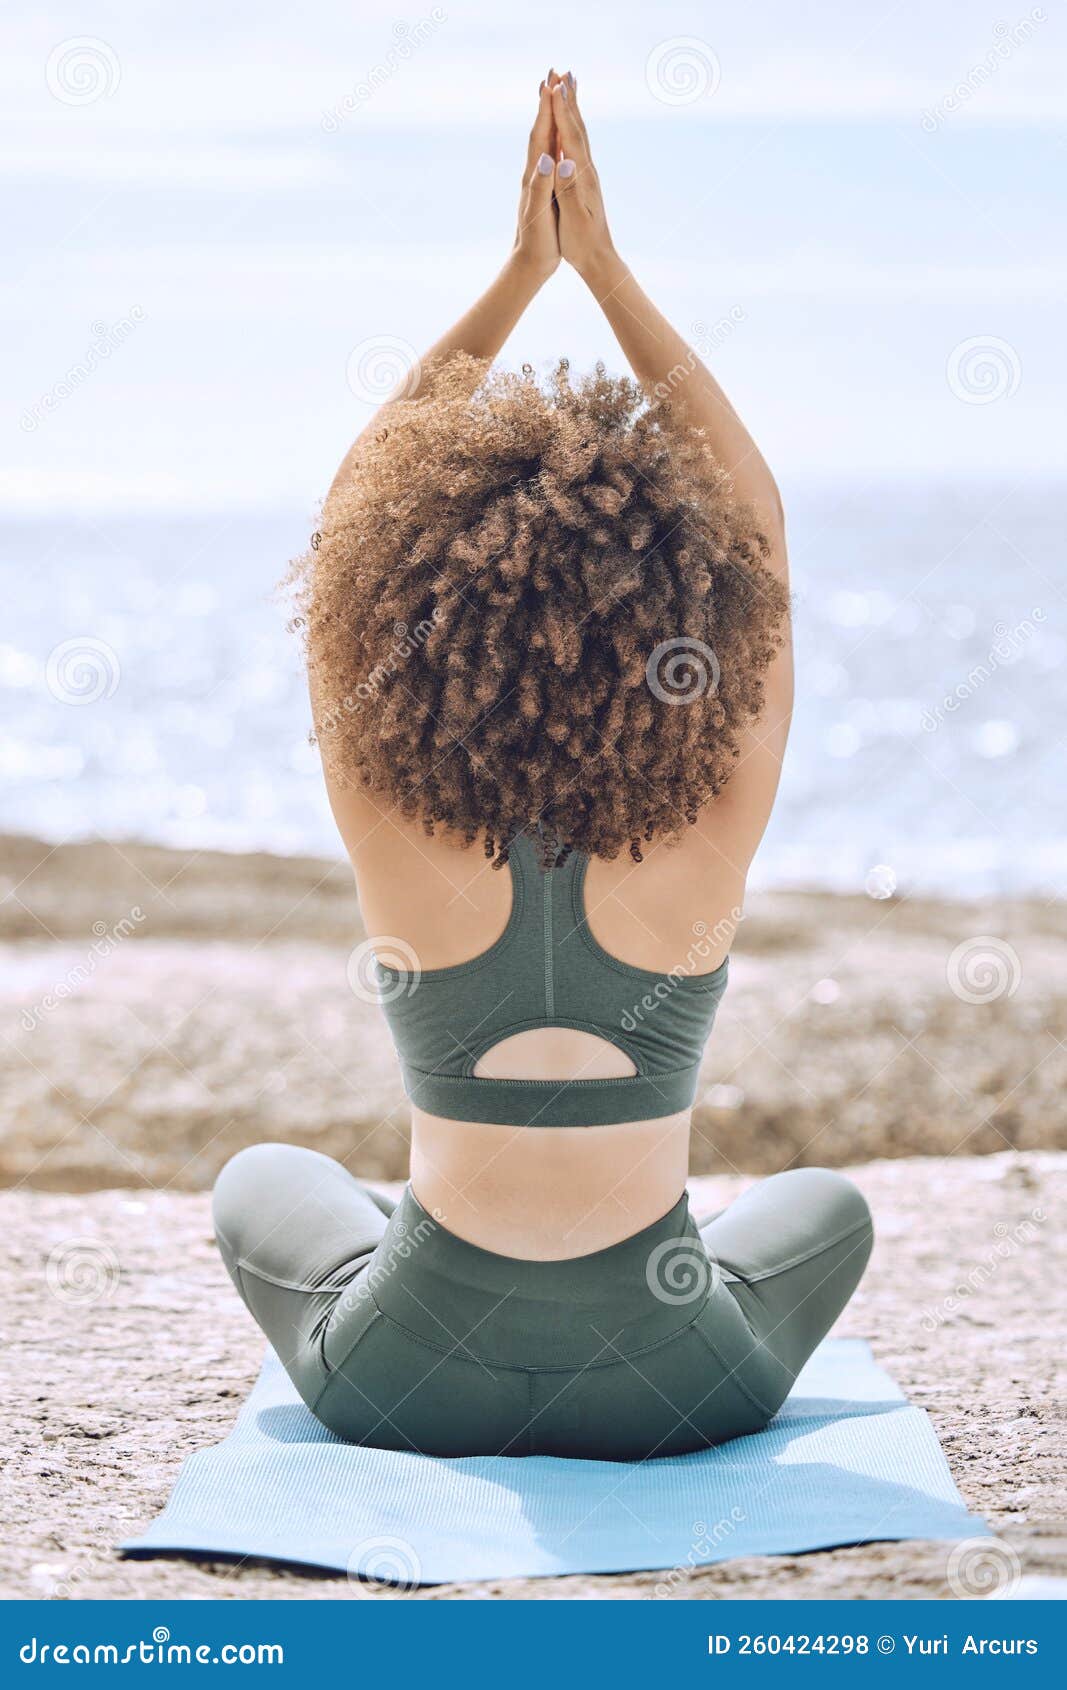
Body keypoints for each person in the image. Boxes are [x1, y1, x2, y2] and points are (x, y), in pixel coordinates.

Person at [213, 70, 872, 1460]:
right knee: (833, 1206)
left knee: (264, 1179)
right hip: (674, 1383)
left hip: (412, 1376)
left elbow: (346, 542)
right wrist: (607, 276)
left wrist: (521, 277)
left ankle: (440, 1237)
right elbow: (760, 530)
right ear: (688, 628)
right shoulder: (706, 841)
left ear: (412, 611)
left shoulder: (395, 827)